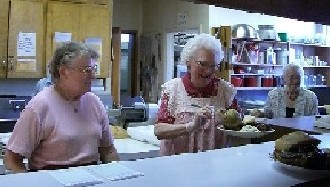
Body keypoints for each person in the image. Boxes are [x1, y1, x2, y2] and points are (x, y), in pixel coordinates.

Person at [5, 41, 119, 173]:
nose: (93, 75)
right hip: (51, 179)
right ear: (64, 72)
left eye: (94, 69)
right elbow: (12, 158)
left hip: (91, 176)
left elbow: (108, 150)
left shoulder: (94, 103)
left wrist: (117, 175)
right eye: (87, 70)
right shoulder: (40, 106)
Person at [154, 33, 237, 156]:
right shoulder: (172, 90)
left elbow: (237, 126)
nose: (208, 71)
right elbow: (159, 131)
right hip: (177, 165)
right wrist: (190, 126)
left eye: (213, 65)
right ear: (188, 63)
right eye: (202, 64)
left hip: (215, 165)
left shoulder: (226, 91)